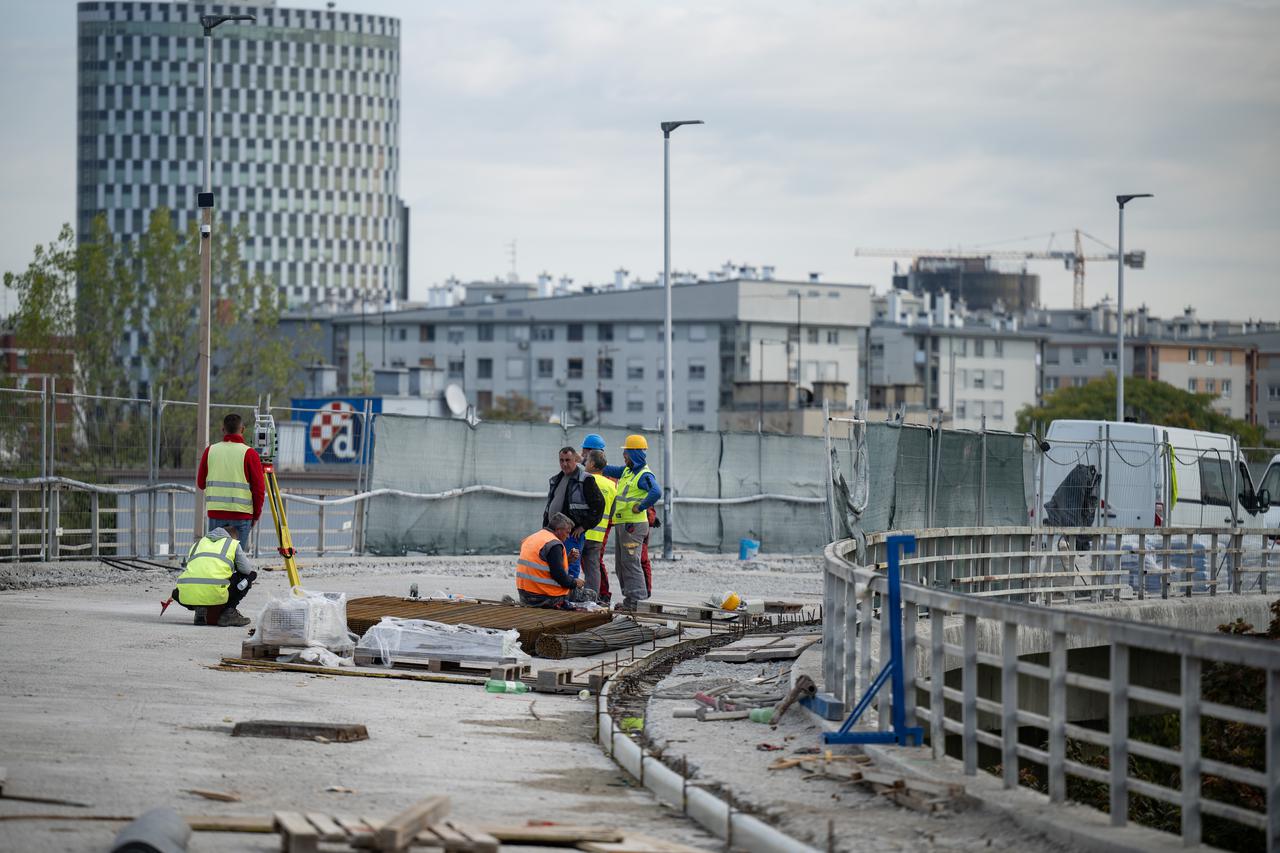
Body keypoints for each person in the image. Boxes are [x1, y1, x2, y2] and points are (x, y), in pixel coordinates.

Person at [601, 434, 661, 611]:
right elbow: (608, 469)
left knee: (631, 563)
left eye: (626, 452)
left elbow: (656, 492)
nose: (624, 456)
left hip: (633, 526)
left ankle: (637, 602)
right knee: (622, 564)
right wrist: (586, 461)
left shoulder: (644, 475)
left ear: (634, 453)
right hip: (625, 525)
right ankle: (630, 600)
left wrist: (641, 506)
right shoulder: (627, 471)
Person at [542, 445, 605, 588]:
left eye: (568, 460)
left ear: (575, 460)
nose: (564, 464)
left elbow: (599, 506)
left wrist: (583, 527)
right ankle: (555, 595)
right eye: (561, 460)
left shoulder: (585, 479)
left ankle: (570, 597)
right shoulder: (557, 479)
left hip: (571, 535)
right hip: (552, 533)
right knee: (554, 566)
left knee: (571, 569)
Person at [197, 413, 265, 542]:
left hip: (216, 514)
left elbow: (201, 483)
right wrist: (255, 516)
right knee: (236, 554)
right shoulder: (250, 454)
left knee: (217, 553)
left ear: (223, 430)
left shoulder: (210, 451)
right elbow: (259, 490)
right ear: (242, 429)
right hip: (242, 516)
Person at [172, 524, 257, 627]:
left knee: (176, 592)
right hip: (216, 592)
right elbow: (246, 570)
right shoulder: (232, 543)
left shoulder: (198, 544)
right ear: (232, 537)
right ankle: (228, 613)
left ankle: (200, 609)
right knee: (249, 576)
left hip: (187, 594)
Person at [515, 512, 584, 608]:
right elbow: (559, 576)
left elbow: (543, 565)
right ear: (558, 530)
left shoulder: (532, 538)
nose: (568, 536)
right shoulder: (554, 544)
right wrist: (575, 582)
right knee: (590, 594)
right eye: (567, 532)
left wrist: (567, 561)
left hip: (525, 595)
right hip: (543, 597)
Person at [581, 445, 616, 604]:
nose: (585, 463)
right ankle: (592, 599)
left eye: (587, 460)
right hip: (599, 534)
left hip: (581, 531)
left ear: (593, 464)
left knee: (571, 563)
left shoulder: (585, 479)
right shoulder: (612, 485)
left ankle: (568, 596)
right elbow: (612, 511)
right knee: (593, 568)